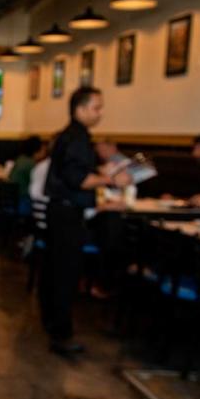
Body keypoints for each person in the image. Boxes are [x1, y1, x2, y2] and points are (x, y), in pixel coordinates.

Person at [40, 87, 130, 356]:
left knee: (54, 273)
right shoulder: (78, 138)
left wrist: (99, 172)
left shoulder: (67, 137)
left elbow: (74, 172)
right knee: (66, 276)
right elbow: (78, 180)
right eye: (96, 108)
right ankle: (62, 335)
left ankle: (53, 324)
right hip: (68, 215)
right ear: (80, 109)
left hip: (58, 212)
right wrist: (113, 179)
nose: (100, 113)